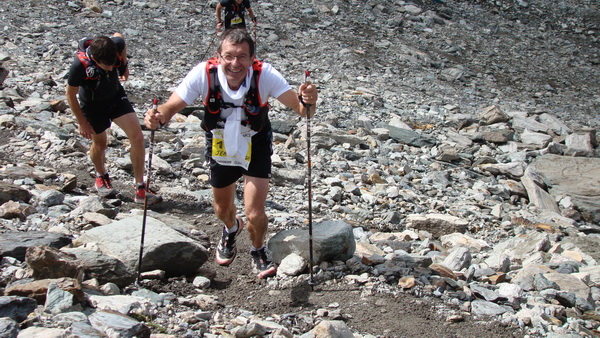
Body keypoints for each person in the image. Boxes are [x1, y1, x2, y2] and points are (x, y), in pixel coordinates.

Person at [144, 28, 318, 279]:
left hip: (255, 142)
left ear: (252, 58)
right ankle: (230, 228)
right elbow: (170, 107)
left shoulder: (265, 75)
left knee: (255, 212)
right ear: (218, 56)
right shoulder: (203, 74)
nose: (235, 63)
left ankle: (258, 250)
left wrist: (310, 100)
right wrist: (156, 117)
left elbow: (303, 111)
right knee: (221, 209)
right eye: (229, 56)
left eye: (242, 57)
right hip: (220, 142)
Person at [66, 33, 162, 205]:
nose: (111, 69)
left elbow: (120, 38)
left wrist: (124, 64)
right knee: (101, 143)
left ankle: (140, 188)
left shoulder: (114, 46)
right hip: (93, 105)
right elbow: (70, 95)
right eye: (106, 66)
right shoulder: (78, 66)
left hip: (116, 97)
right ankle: (101, 175)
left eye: (113, 65)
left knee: (138, 137)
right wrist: (82, 122)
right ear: (94, 58)